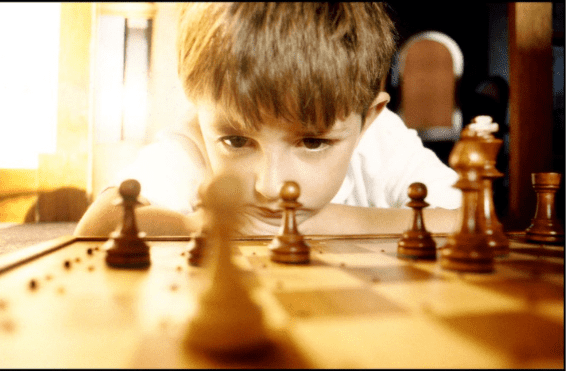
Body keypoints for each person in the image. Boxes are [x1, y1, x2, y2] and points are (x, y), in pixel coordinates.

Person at [75, 3, 460, 237]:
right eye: (238, 142)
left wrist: (331, 222)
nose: (271, 186)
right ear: (198, 105)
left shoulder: (382, 137)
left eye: (312, 142)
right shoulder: (192, 139)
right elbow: (98, 223)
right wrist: (195, 227)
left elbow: (469, 219)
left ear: (368, 119)